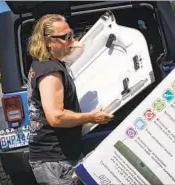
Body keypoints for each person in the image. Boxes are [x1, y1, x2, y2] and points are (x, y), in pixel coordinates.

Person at [27, 14, 114, 185]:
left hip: (56, 155)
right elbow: (56, 116)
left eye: (71, 33)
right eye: (65, 36)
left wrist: (71, 41)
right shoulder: (50, 71)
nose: (72, 39)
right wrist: (91, 117)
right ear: (49, 41)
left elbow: (77, 49)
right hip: (55, 161)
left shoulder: (45, 61)